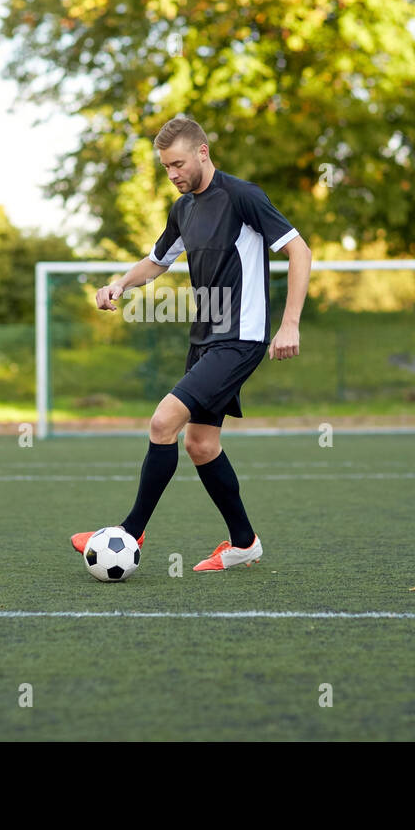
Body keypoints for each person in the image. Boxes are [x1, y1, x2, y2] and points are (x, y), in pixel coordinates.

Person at [70, 115, 312, 571]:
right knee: (200, 444)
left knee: (164, 422)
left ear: (202, 152)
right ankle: (244, 543)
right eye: (165, 168)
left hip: (239, 338)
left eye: (178, 163)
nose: (173, 174)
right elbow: (157, 261)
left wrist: (291, 323)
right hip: (204, 339)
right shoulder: (183, 209)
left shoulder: (243, 196)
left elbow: (300, 250)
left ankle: (128, 531)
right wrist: (121, 284)